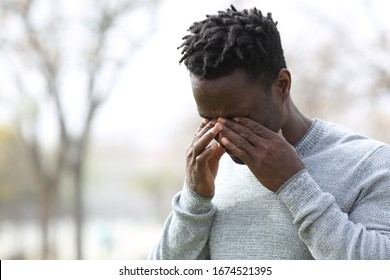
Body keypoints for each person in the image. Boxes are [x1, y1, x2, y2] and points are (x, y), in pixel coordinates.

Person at [149, 5, 390, 259]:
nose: (221, 132)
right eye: (208, 118)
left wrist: (294, 184)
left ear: (282, 85)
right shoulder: (212, 170)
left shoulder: (371, 165)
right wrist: (194, 201)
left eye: (236, 117)